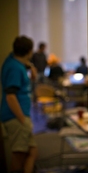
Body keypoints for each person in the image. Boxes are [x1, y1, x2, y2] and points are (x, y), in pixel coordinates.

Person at [0, 36, 38, 173]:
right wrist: (22, 120)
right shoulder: (15, 68)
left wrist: (30, 66)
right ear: (29, 51)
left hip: (20, 115)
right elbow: (10, 96)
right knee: (19, 155)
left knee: (32, 151)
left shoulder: (14, 61)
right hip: (16, 116)